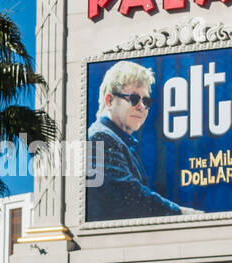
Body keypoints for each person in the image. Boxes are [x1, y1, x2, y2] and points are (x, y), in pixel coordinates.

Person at [86, 60, 201, 222]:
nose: (141, 107)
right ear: (109, 100)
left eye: (146, 101)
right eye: (134, 99)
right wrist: (184, 215)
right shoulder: (100, 138)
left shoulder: (116, 140)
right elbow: (134, 198)